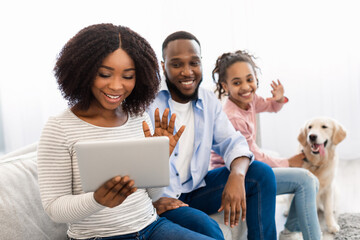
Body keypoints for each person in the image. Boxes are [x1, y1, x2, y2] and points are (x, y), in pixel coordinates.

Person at [37, 23, 217, 240]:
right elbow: (54, 208)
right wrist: (97, 200)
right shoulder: (59, 128)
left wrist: (159, 161)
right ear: (83, 71)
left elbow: (152, 194)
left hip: (152, 227)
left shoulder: (138, 117)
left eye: (128, 76)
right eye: (105, 74)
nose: (116, 86)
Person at [147, 31, 277, 240]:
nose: (187, 72)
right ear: (163, 66)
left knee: (261, 174)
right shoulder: (147, 103)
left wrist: (237, 175)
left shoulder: (208, 100)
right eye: (177, 64)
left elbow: (232, 142)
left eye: (194, 63)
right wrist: (150, 201)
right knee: (208, 229)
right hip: (164, 198)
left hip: (196, 189)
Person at [210, 50, 322, 240]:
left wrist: (278, 99)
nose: (246, 87)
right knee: (307, 180)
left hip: (249, 167)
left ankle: (289, 231)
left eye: (249, 79)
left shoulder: (249, 100)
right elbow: (253, 157)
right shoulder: (233, 117)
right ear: (225, 86)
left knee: (311, 180)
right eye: (237, 83)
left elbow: (270, 106)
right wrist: (288, 161)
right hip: (232, 175)